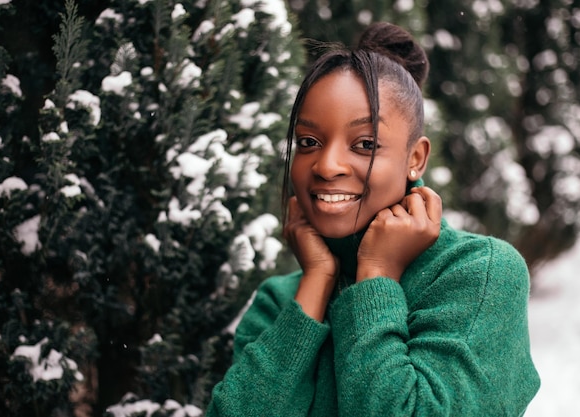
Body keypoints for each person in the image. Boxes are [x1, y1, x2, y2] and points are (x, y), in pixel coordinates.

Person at [207, 22, 540, 416]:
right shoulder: (279, 301)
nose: (327, 166)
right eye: (308, 142)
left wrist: (376, 276)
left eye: (365, 144)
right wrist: (316, 283)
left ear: (415, 158)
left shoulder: (479, 274)